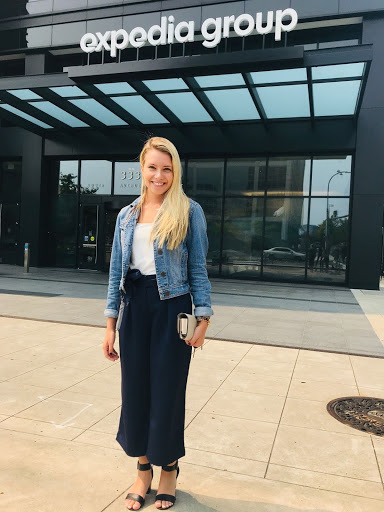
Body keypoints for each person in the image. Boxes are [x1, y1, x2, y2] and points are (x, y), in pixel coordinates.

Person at [102, 136, 213, 511]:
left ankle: (169, 469)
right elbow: (117, 270)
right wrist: (109, 324)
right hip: (135, 307)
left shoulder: (189, 211)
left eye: (167, 168)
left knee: (167, 392)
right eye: (153, 167)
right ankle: (142, 469)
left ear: (175, 170)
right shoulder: (126, 216)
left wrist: (204, 318)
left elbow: (198, 267)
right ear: (142, 168)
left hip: (173, 308)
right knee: (135, 392)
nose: (159, 175)